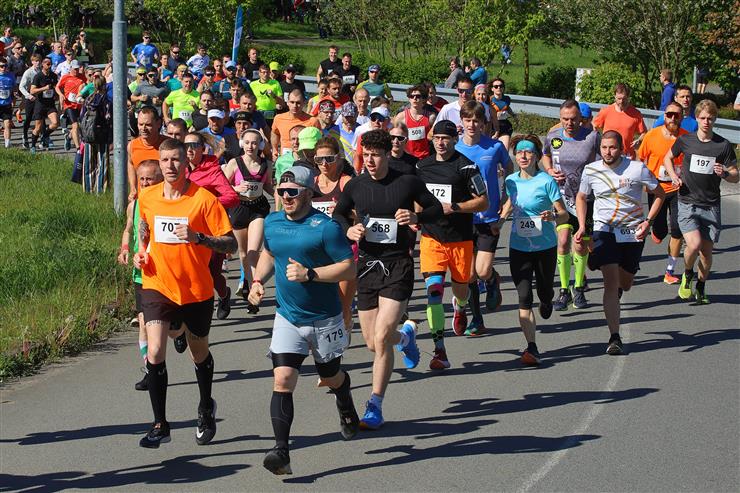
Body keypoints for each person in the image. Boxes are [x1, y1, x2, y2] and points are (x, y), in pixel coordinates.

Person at [247, 165, 360, 475]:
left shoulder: (326, 228)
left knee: (330, 375)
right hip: (288, 316)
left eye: (292, 192)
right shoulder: (272, 222)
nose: (286, 197)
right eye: (281, 191)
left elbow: (349, 268)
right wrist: (257, 281)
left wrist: (310, 274)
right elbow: (271, 254)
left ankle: (344, 396)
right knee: (283, 379)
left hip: (324, 319)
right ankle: (281, 451)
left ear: (309, 193)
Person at [333, 129, 442, 429]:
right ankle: (406, 337)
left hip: (398, 265)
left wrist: (416, 218)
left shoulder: (406, 181)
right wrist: (348, 229)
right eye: (366, 155)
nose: (369, 161)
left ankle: (375, 405)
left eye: (375, 155)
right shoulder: (356, 185)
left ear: (386, 155)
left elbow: (435, 208)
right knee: (372, 343)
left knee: (381, 337)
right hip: (368, 266)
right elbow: (339, 215)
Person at [133, 138, 237, 448]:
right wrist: (141, 252)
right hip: (157, 283)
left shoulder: (203, 200)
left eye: (176, 160)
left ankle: (205, 407)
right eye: (164, 160)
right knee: (154, 351)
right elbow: (145, 228)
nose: (170, 166)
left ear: (185, 162)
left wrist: (199, 238)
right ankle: (160, 424)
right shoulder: (148, 195)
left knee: (198, 351)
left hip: (195, 289)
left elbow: (230, 243)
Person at [575, 131, 665, 355]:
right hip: (604, 230)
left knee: (625, 283)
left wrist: (648, 222)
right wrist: (582, 225)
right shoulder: (591, 170)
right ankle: (615, 337)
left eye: (612, 147)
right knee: (611, 283)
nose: (608, 152)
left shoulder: (637, 168)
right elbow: (581, 197)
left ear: (621, 148)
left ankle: (595, 259)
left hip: (632, 232)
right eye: (604, 148)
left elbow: (660, 194)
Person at [415, 120, 488, 369]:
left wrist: (454, 207)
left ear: (454, 140)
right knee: (434, 292)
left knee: (460, 289)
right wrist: (417, 216)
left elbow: (483, 202)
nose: (440, 143)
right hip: (431, 238)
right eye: (436, 138)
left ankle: (461, 306)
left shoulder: (466, 166)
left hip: (460, 239)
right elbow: (417, 197)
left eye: (445, 138)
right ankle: (440, 350)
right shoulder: (422, 166)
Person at [492, 135, 568, 365]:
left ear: (536, 156)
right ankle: (532, 346)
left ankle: (547, 300)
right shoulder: (511, 181)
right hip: (519, 247)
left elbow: (563, 214)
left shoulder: (546, 181)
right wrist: (500, 222)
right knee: (524, 296)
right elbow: (509, 203)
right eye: (519, 152)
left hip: (545, 246)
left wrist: (552, 216)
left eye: (528, 152)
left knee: (544, 291)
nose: (523, 156)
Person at [663, 99, 738, 304]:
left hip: (711, 205)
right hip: (687, 201)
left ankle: (701, 287)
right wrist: (674, 176)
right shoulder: (686, 140)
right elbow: (667, 158)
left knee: (706, 252)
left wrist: (725, 173)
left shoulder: (722, 145)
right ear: (696, 118)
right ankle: (688, 274)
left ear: (715, 120)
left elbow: (735, 175)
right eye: (703, 118)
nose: (706, 122)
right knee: (694, 244)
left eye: (710, 118)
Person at [455, 102, 512, 335]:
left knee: (483, 270)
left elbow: (509, 169)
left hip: (488, 218)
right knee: (468, 274)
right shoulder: (455, 148)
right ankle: (476, 319)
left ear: (483, 123)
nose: (472, 125)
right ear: (461, 121)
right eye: (467, 120)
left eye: (476, 120)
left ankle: (492, 280)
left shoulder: (495, 147)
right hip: (463, 218)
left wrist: (505, 196)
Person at [541, 99, 600, 310]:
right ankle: (564, 290)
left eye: (573, 119)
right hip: (561, 198)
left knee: (580, 244)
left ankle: (579, 287)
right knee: (563, 240)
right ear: (560, 118)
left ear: (580, 119)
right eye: (565, 119)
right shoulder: (553, 137)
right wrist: (549, 170)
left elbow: (605, 159)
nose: (569, 123)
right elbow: (545, 155)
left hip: (586, 198)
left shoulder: (592, 137)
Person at [117, 160, 164, 392]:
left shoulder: (166, 204)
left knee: (171, 327)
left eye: (149, 179)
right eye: (141, 179)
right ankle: (150, 370)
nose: (144, 183)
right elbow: (128, 229)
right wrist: (125, 249)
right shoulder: (133, 205)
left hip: (165, 273)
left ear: (160, 180)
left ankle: (180, 332)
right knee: (144, 322)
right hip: (141, 273)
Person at [183, 132, 240, 320]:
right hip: (185, 229)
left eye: (194, 146)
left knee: (212, 273)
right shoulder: (179, 168)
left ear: (203, 148)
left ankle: (224, 295)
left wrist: (207, 205)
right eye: (186, 146)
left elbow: (232, 197)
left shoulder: (212, 169)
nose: (189, 150)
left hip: (210, 231)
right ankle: (188, 316)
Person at [637, 102, 688, 284]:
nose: (673, 118)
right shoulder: (652, 136)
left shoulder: (686, 138)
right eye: (669, 114)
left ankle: (669, 271)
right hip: (656, 189)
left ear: (682, 117)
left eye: (676, 115)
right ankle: (658, 232)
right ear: (664, 116)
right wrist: (641, 182)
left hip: (678, 189)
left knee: (677, 229)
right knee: (660, 230)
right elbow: (640, 159)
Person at [222, 129, 274, 302]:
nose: (250, 146)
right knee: (243, 254)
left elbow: (267, 186)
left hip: (258, 208)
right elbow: (222, 186)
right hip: (239, 208)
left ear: (260, 145)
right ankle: (246, 280)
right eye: (247, 142)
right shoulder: (234, 163)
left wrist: (280, 195)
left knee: (253, 252)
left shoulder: (267, 165)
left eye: (254, 143)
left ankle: (254, 289)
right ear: (241, 144)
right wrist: (237, 188)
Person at [312, 136, 357, 334]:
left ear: (338, 158)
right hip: (317, 250)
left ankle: (346, 324)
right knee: (321, 305)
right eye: (319, 160)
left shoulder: (347, 182)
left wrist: (344, 211)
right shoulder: (311, 183)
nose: (324, 164)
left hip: (344, 250)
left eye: (329, 159)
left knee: (342, 305)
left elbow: (363, 213)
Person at [592, 83, 647, 158]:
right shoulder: (606, 111)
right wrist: (601, 142)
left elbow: (644, 133)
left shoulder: (636, 114)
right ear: (614, 96)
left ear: (628, 97)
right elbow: (594, 126)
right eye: (619, 99)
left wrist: (639, 140)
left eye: (624, 99)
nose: (621, 101)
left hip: (627, 155)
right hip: (609, 155)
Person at [79, 74, 113, 193]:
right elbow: (109, 119)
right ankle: (101, 189)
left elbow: (82, 117)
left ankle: (88, 188)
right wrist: (111, 138)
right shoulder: (107, 101)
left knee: (89, 162)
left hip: (88, 134)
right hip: (102, 134)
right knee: (102, 162)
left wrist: (82, 135)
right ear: (104, 86)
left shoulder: (88, 100)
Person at [127, 107, 168, 201]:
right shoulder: (132, 146)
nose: (143, 128)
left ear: (158, 123)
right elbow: (131, 164)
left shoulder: (168, 145)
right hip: (142, 200)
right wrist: (133, 188)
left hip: (163, 200)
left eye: (148, 125)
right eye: (140, 124)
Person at [393, 84, 435, 160]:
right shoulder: (401, 117)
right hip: (406, 157)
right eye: (412, 96)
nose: (414, 98)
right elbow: (394, 135)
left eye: (418, 96)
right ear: (409, 99)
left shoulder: (431, 117)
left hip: (424, 157)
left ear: (424, 99)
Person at [270, 89, 314, 159]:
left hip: (304, 159)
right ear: (287, 102)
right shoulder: (278, 118)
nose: (295, 106)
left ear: (304, 103)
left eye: (298, 103)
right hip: (285, 159)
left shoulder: (312, 121)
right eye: (292, 102)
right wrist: (274, 150)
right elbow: (275, 133)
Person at [29, 57, 59, 154]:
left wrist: (57, 94)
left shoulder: (53, 75)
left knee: (55, 123)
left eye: (50, 64)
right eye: (47, 64)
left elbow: (56, 87)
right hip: (40, 104)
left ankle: (45, 136)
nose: (49, 66)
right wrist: (44, 88)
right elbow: (32, 91)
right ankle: (33, 146)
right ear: (43, 64)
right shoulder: (38, 76)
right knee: (38, 128)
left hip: (50, 104)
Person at [55, 59, 86, 151]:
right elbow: (57, 87)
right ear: (71, 68)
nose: (76, 71)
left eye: (77, 69)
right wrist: (61, 95)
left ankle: (68, 137)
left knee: (79, 126)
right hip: (69, 105)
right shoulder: (65, 77)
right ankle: (78, 149)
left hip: (79, 105)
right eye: (75, 69)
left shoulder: (82, 77)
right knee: (75, 125)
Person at [19, 54, 41, 149]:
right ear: (32, 62)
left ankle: (43, 138)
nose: (37, 63)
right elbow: (21, 86)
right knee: (28, 118)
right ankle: (25, 137)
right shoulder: (28, 72)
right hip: (30, 98)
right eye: (35, 61)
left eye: (39, 61)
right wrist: (28, 96)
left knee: (40, 118)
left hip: (39, 98)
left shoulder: (41, 71)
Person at [489, 78, 514, 150]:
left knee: (505, 149)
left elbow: (507, 108)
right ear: (492, 89)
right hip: (492, 127)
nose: (499, 88)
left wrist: (513, 115)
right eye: (496, 86)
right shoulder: (489, 100)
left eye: (501, 86)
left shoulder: (507, 99)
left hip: (504, 125)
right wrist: (494, 115)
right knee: (493, 150)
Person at [0, 59, 16, 148]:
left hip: (6, 104)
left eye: (5, 66)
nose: (3, 68)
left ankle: (7, 145)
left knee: (7, 124)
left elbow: (14, 88)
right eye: (1, 66)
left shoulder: (10, 75)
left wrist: (14, 95)